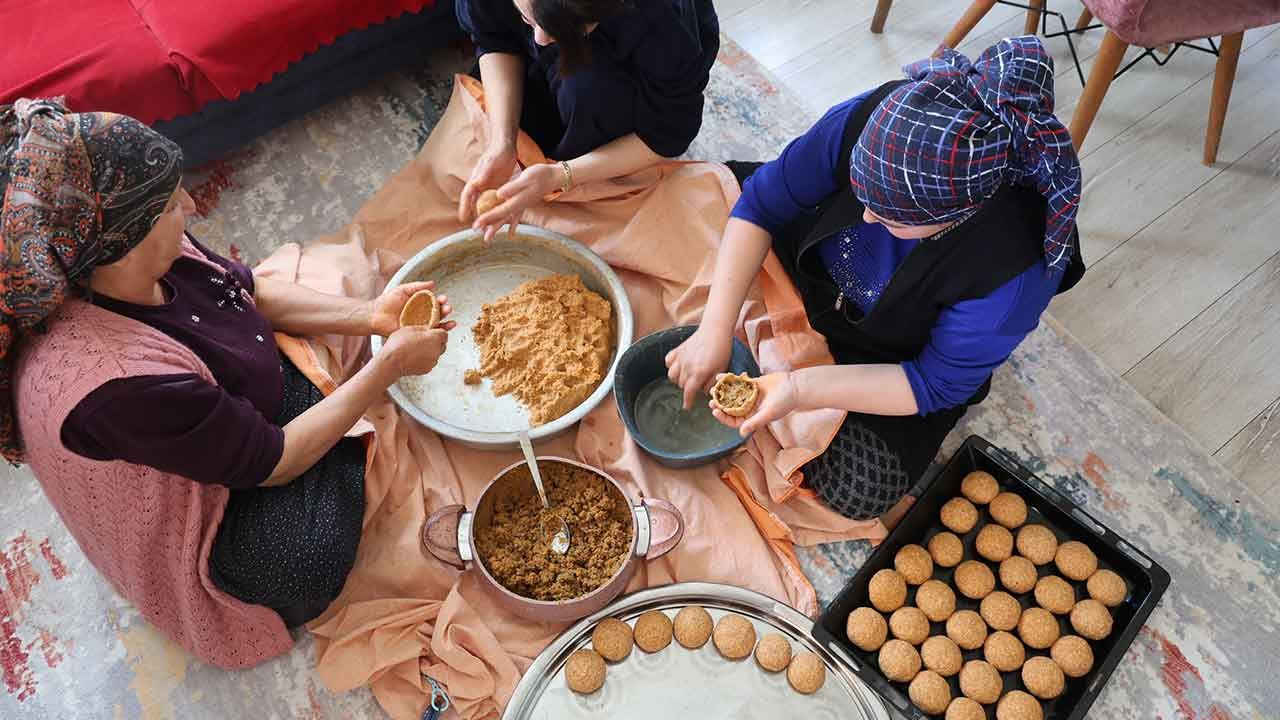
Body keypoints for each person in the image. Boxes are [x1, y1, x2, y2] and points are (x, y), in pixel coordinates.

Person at [1, 99, 452, 665]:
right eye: (171, 207)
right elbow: (274, 463)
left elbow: (245, 291)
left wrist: (372, 316)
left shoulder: (132, 244)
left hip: (210, 423)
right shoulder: (112, 383)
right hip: (197, 516)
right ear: (121, 243)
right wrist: (385, 367)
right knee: (306, 560)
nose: (190, 205)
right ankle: (306, 403)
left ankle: (302, 395)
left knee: (318, 333)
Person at [666, 37, 1086, 522]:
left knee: (859, 487)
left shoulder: (1013, 273)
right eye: (861, 194)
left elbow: (931, 384)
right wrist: (714, 329)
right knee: (700, 197)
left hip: (891, 349)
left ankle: (795, 348)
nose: (863, 218)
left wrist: (799, 389)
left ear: (957, 216)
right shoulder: (876, 115)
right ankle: (782, 328)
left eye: (891, 219)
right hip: (812, 263)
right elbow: (761, 204)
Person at [455, 0, 720, 240]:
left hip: (624, 78)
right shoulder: (538, 31)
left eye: (569, 28)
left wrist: (560, 175)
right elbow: (493, 38)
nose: (540, 39)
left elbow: (667, 132)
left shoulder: (661, 24)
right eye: (528, 21)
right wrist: (502, 141)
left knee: (587, 94)